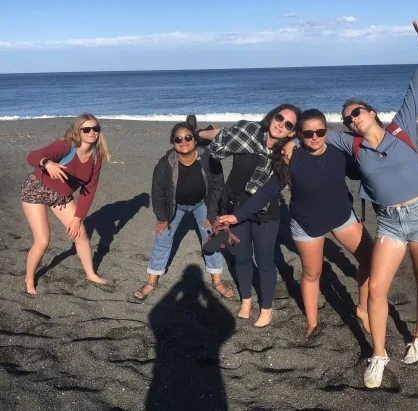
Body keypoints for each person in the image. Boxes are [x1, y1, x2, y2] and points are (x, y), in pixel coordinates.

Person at [283, 21, 418, 388]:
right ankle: (379, 354)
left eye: (356, 112)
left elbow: (416, 88)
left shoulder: (401, 128)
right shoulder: (350, 144)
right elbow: (315, 135)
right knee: (376, 289)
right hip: (390, 223)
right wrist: (290, 141)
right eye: (347, 118)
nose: (352, 119)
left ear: (371, 112)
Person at [219, 109, 373, 337]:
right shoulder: (291, 158)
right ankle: (312, 322)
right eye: (308, 132)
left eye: (320, 132)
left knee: (371, 259)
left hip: (341, 216)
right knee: (312, 273)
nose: (314, 137)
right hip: (306, 223)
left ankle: (362, 308)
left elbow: (363, 170)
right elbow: (268, 190)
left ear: (326, 132)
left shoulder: (339, 153)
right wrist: (238, 215)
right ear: (299, 134)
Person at [195, 104, 301, 327]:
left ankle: (266, 309)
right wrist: (198, 134)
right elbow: (224, 135)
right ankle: (246, 301)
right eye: (279, 117)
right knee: (242, 258)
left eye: (288, 124)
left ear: (292, 132)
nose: (281, 124)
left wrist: (292, 143)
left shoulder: (286, 154)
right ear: (272, 116)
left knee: (264, 261)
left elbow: (267, 192)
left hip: (264, 213)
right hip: (233, 205)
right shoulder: (248, 132)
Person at [134, 122, 230, 300]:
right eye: (178, 139)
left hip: (202, 203)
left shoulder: (209, 158)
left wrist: (211, 214)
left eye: (188, 137)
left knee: (211, 235)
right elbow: (158, 193)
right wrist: (163, 219)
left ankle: (217, 280)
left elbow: (218, 187)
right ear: (173, 143)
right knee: (162, 237)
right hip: (175, 205)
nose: (183, 141)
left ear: (195, 140)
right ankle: (151, 281)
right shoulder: (165, 164)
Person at [22, 113, 111, 295]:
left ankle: (90, 274)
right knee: (43, 241)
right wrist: (47, 164)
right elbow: (33, 156)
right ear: (78, 130)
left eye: (96, 128)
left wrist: (78, 218)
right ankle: (29, 278)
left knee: (80, 233)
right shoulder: (66, 145)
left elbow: (89, 190)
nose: (92, 132)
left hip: (61, 196)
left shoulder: (96, 156)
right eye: (86, 129)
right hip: (37, 189)